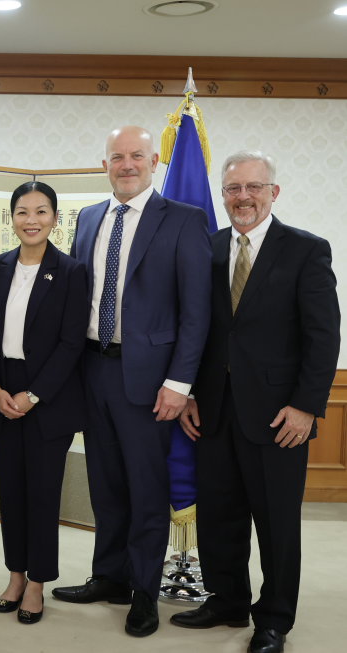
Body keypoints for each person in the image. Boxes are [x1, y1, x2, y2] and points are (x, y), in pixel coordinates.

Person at [172, 151, 339, 653]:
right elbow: (198, 331)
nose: (242, 197)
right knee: (220, 516)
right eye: (232, 189)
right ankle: (226, 601)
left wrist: (307, 407)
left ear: (273, 192)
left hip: (279, 415)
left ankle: (274, 619)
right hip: (214, 411)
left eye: (253, 187)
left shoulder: (307, 250)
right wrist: (191, 394)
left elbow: (323, 336)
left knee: (277, 524)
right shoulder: (207, 248)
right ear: (221, 194)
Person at [53, 126, 212, 637]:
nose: (126, 164)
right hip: (92, 369)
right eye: (117, 156)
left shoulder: (185, 221)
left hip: (150, 379)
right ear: (105, 164)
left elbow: (196, 313)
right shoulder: (90, 217)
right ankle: (110, 576)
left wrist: (180, 383)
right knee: (105, 485)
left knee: (146, 488)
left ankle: (144, 589)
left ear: (155, 160)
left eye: (136, 156)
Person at [0, 181, 89, 625]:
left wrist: (34, 394)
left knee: (42, 495)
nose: (31, 220)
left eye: (41, 212)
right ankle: (15, 574)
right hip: (2, 389)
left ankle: (39, 583)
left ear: (55, 219)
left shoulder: (71, 270)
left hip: (49, 396)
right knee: (11, 492)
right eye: (22, 212)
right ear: (11, 219)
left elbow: (70, 343)